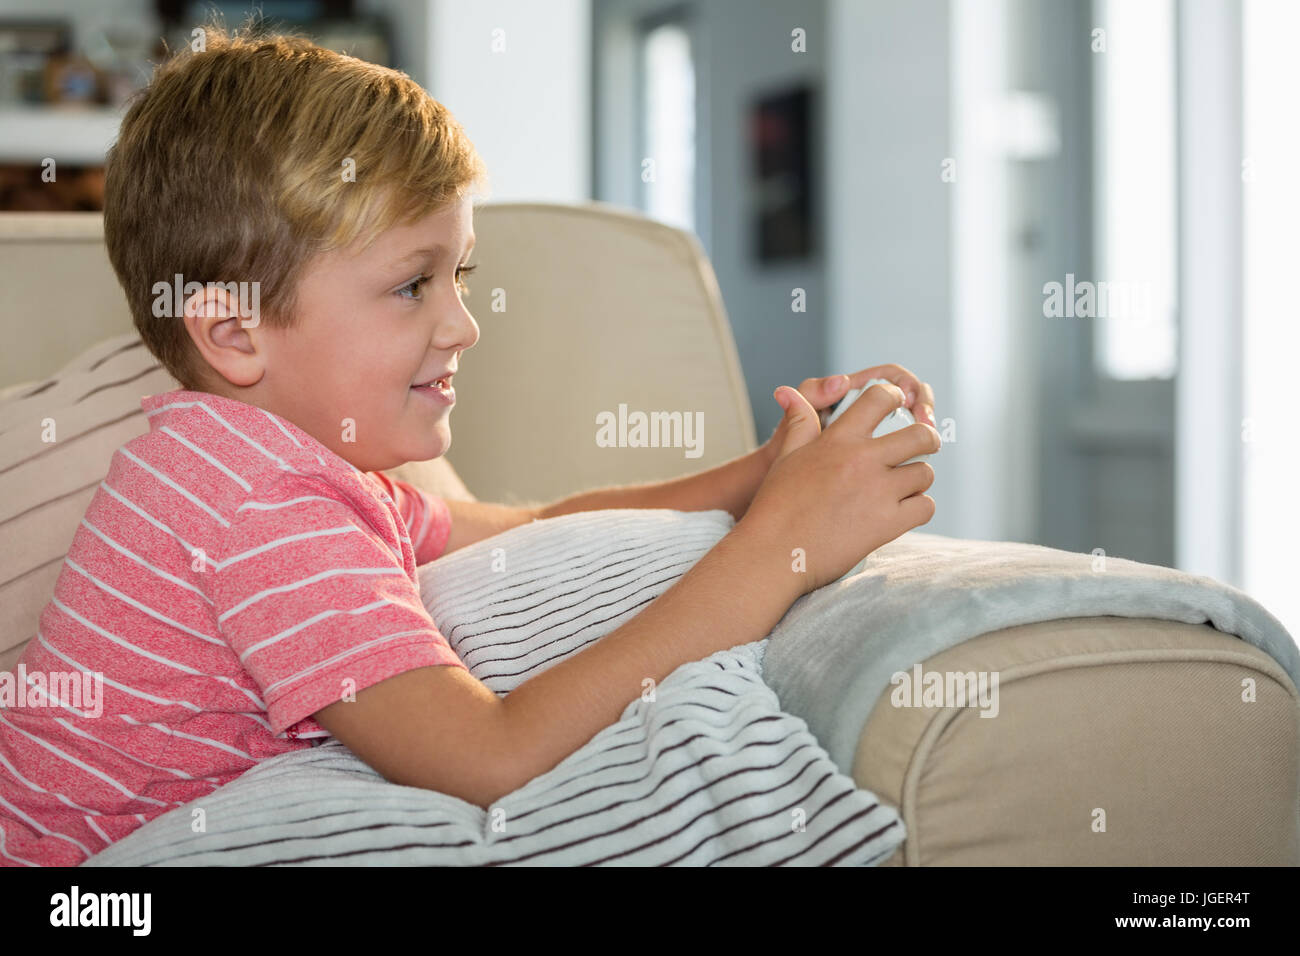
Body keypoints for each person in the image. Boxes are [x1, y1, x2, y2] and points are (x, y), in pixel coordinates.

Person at [0, 15, 939, 867]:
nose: (462, 324)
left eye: (462, 273)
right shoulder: (257, 502)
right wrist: (779, 551)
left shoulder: (264, 460)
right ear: (236, 333)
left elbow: (534, 522)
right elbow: (485, 757)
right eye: (414, 284)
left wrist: (762, 473)